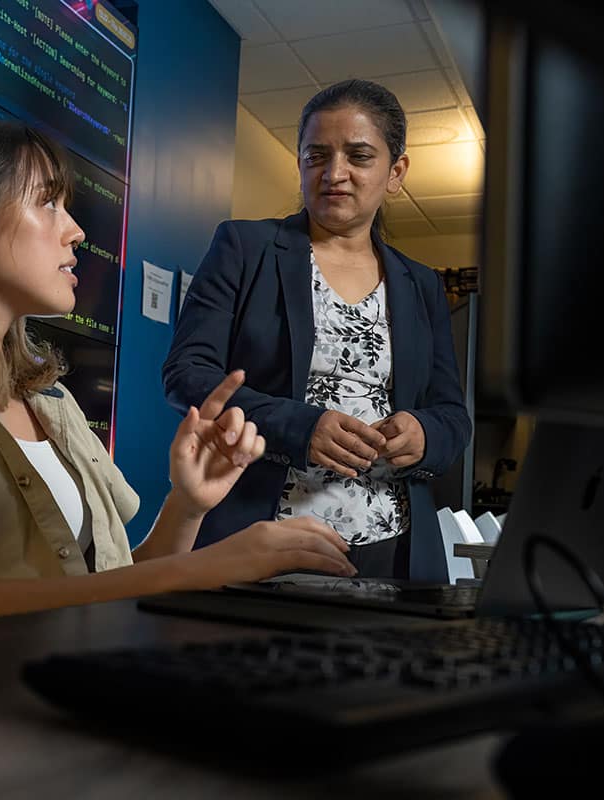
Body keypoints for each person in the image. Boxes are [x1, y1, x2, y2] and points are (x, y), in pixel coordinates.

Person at [0, 117, 353, 633]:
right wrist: (206, 568)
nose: (76, 230)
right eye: (49, 202)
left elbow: (110, 590)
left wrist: (187, 505)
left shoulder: (49, 401)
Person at [163, 79, 472, 582]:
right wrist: (300, 427)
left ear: (396, 172)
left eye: (359, 156)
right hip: (264, 531)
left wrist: (424, 433)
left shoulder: (422, 285)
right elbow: (187, 374)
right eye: (317, 156)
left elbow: (453, 416)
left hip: (394, 546)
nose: (334, 173)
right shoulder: (244, 247)